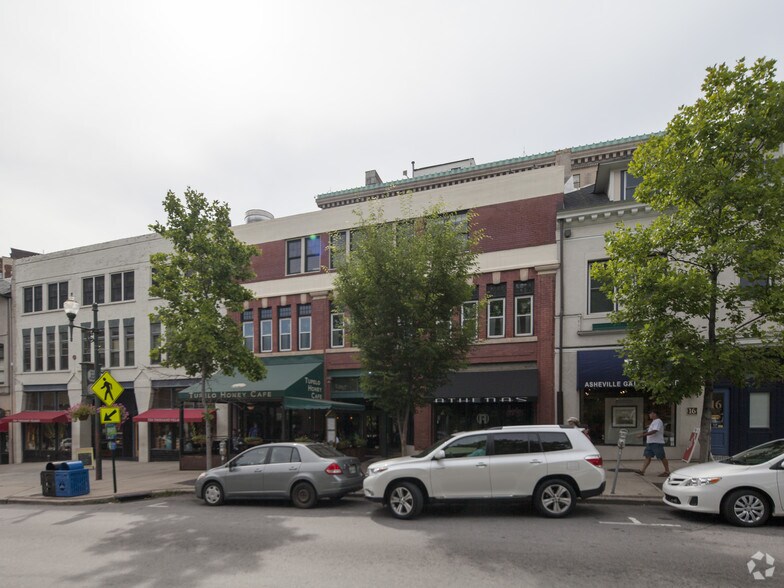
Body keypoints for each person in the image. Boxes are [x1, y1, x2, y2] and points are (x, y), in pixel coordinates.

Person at [636, 409, 670, 477]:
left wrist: (643, 435)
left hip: (656, 443)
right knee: (647, 456)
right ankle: (642, 471)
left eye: (650, 413)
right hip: (650, 442)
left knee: (662, 457)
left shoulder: (658, 421)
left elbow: (655, 431)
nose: (649, 415)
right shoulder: (654, 421)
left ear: (654, 414)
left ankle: (667, 471)